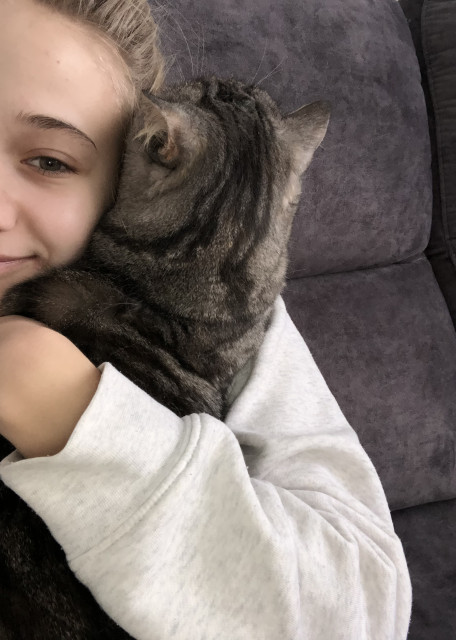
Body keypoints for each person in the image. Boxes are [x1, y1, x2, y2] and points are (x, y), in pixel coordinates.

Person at [0, 1, 412, 638]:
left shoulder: (219, 315)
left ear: (123, 180)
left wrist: (88, 431)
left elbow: (365, 613)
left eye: (50, 161)